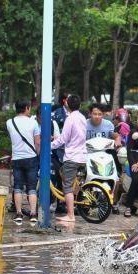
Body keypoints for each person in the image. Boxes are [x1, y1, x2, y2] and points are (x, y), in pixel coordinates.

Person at [50, 94, 86, 222]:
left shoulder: (70, 119)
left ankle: (70, 216)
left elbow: (63, 139)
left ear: (67, 105)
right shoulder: (82, 118)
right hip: (82, 156)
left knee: (67, 187)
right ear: (80, 105)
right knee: (70, 182)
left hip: (72, 156)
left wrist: (50, 145)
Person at [5, 101, 39, 226]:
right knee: (31, 187)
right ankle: (33, 214)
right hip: (31, 157)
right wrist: (37, 154)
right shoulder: (33, 122)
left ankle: (19, 214)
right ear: (26, 108)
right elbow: (37, 142)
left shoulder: (9, 122)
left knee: (18, 186)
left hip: (17, 158)